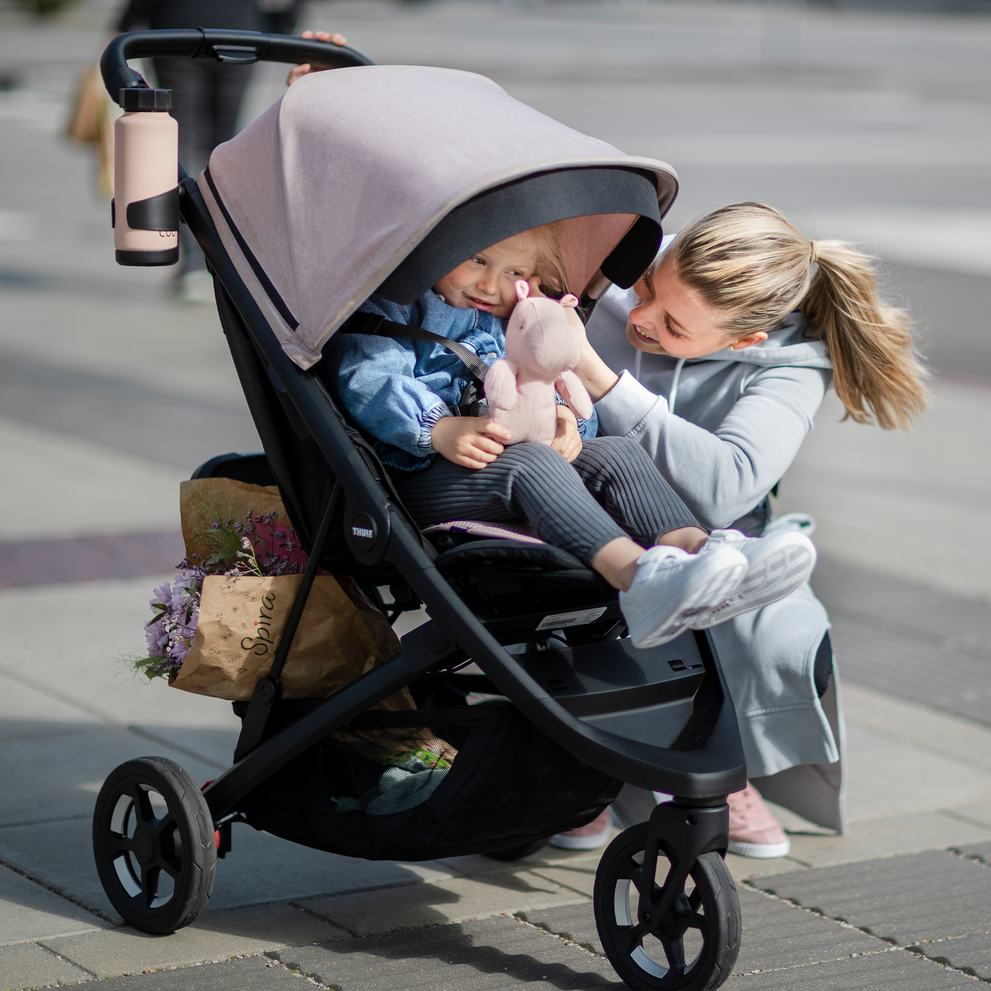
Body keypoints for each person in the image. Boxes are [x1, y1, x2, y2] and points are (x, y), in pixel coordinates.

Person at [560, 201, 929, 855]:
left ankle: (726, 761)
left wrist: (601, 379)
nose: (639, 315)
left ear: (743, 342)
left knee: (775, 630)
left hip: (715, 531)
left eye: (672, 324)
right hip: (593, 505)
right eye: (648, 285)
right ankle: (580, 765)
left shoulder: (791, 363)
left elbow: (725, 486)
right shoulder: (611, 266)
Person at [328, 224, 817, 651]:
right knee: (533, 466)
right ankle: (638, 579)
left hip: (496, 468)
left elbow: (547, 378)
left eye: (513, 272)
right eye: (477, 259)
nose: (489, 284)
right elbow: (369, 378)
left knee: (616, 452)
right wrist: (435, 427)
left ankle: (698, 551)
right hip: (415, 476)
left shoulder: (511, 318)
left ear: (534, 280)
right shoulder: (395, 305)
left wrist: (567, 422)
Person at [116, 3, 345, 301]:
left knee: (180, 143)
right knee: (224, 149)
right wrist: (282, 21)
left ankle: (193, 264)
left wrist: (128, 23)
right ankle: (222, 260)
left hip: (177, 30)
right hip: (238, 34)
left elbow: (135, 12)